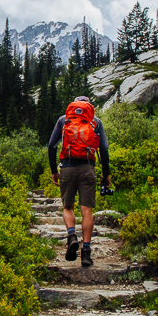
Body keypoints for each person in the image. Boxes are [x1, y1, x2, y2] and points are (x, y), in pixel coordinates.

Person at [48, 96, 111, 267]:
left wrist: (54, 171)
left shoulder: (64, 120)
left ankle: (71, 236)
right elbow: (103, 148)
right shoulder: (95, 121)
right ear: (89, 106)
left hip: (67, 168)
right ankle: (86, 253)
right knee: (87, 210)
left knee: (68, 207)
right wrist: (106, 174)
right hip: (88, 168)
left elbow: (51, 145)